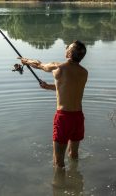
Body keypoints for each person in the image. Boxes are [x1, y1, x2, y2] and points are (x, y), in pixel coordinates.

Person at [20, 40, 88, 168]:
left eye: (68, 47)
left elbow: (40, 65)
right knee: (73, 154)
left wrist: (26, 61)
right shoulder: (84, 72)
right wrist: (49, 87)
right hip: (78, 118)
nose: (66, 47)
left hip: (64, 118)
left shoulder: (59, 67)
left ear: (69, 53)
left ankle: (59, 186)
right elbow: (68, 87)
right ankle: (76, 182)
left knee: (58, 161)